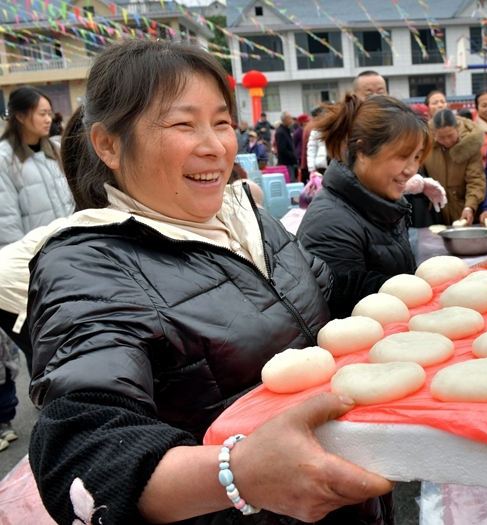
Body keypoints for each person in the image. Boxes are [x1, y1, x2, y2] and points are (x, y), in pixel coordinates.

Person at [27, 39, 395, 525]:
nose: (215, 146)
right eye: (183, 125)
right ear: (109, 145)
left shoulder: (248, 219)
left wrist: (425, 293)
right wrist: (238, 474)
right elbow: (83, 450)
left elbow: (329, 297)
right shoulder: (88, 265)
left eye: (222, 123)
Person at [297, 93, 433, 276]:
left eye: (416, 157)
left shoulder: (384, 204)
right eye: (402, 156)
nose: (411, 170)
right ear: (362, 151)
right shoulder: (331, 226)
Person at [0, 85, 73, 397]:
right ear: (20, 116)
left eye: (48, 113)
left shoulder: (54, 150)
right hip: (31, 264)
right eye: (41, 113)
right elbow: (6, 220)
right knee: (40, 342)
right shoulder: (4, 159)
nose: (48, 119)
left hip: (66, 256)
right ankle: (45, 401)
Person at [421, 108, 485, 225]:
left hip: (463, 210)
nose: (447, 141)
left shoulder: (470, 145)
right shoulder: (426, 143)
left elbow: (475, 180)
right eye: (441, 137)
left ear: (458, 128)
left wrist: (470, 207)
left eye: (450, 135)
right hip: (436, 212)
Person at [275, 110, 298, 181]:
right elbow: (282, 149)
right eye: (289, 119)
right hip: (286, 164)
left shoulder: (287, 130)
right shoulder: (281, 132)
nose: (291, 121)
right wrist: (293, 155)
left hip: (291, 163)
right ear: (284, 120)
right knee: (290, 182)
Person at [307, 107, 329, 174]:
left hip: (334, 166)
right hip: (322, 166)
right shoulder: (316, 131)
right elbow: (311, 150)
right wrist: (312, 169)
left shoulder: (337, 130)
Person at [294, 113, 310, 180]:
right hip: (300, 156)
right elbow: (294, 143)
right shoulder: (297, 132)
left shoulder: (308, 130)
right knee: (303, 173)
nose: (309, 122)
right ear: (303, 123)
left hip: (307, 154)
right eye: (307, 121)